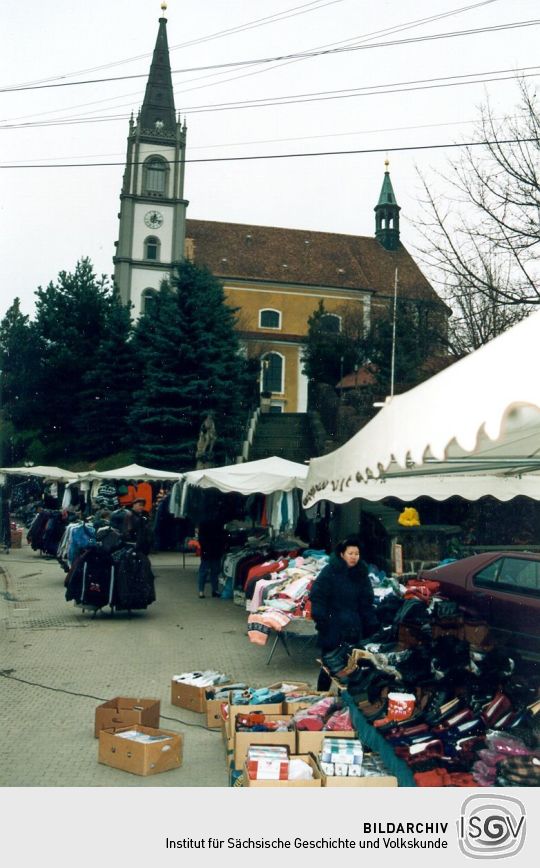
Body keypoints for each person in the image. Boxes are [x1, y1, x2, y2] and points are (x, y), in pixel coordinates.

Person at [310, 536, 378, 690]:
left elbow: (366, 602)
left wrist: (371, 623)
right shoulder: (330, 571)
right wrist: (320, 619)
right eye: (350, 553)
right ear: (342, 554)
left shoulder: (361, 574)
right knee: (329, 664)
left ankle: (344, 700)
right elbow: (318, 595)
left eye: (357, 554)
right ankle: (321, 695)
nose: (354, 557)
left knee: (350, 667)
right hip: (332, 625)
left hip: (353, 625)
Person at [196, 516, 227, 598]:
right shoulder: (219, 522)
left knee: (204, 571)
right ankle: (214, 590)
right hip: (215, 550)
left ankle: (201, 591)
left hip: (208, 550)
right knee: (214, 571)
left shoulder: (204, 522)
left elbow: (201, 538)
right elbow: (222, 536)